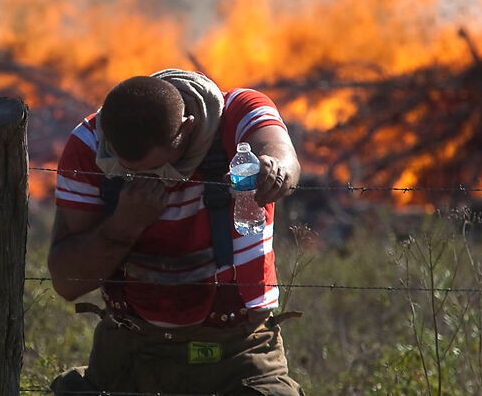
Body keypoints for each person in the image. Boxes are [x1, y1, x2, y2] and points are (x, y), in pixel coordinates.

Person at [48, 69, 304, 396]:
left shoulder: (236, 113)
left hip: (239, 349)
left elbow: (283, 158)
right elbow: (67, 282)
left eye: (156, 169)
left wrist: (273, 171)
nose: (146, 180)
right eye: (127, 173)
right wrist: (124, 226)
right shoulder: (89, 144)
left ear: (186, 130)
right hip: (131, 351)